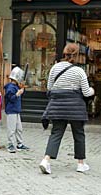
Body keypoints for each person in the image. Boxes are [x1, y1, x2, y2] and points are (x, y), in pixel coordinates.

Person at [39, 43, 95, 174]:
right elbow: (86, 92)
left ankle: (46, 161)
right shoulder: (79, 71)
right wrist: (92, 90)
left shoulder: (55, 68)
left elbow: (49, 88)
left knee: (56, 133)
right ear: (76, 55)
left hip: (58, 106)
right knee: (79, 134)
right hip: (75, 108)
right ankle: (81, 164)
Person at [4, 66, 30, 153]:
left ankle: (20, 144)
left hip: (16, 110)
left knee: (19, 128)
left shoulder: (16, 86)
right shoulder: (10, 87)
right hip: (11, 111)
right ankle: (10, 144)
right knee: (11, 129)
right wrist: (18, 94)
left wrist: (20, 90)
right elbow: (11, 98)